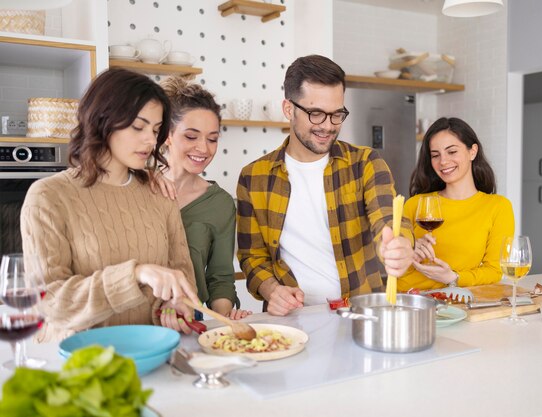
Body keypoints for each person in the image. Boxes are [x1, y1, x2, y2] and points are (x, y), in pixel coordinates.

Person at [20, 68, 201, 342]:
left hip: (152, 353)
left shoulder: (160, 194)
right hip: (79, 362)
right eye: (138, 127)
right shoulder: (48, 197)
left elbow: (182, 275)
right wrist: (135, 274)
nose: (151, 141)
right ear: (102, 119)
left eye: (155, 130)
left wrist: (177, 304)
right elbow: (50, 302)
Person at [236, 55, 414, 316]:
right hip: (295, 320)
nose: (328, 127)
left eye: (337, 115)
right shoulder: (254, 177)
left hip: (362, 315)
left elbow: (387, 219)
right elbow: (253, 257)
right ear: (289, 109)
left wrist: (399, 245)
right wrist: (272, 291)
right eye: (316, 114)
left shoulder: (365, 163)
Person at [159, 76, 251, 320]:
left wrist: (226, 319)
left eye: (212, 139)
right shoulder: (135, 187)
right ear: (167, 134)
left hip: (188, 318)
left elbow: (220, 277)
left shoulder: (219, 203)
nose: (204, 148)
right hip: (132, 318)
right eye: (191, 136)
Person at [398, 117, 514, 291]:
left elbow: (494, 271)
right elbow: (392, 261)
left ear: (472, 152)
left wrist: (453, 277)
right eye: (435, 155)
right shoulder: (415, 204)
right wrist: (408, 252)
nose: (443, 161)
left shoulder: (498, 207)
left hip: (455, 303)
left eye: (452, 152)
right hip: (410, 300)